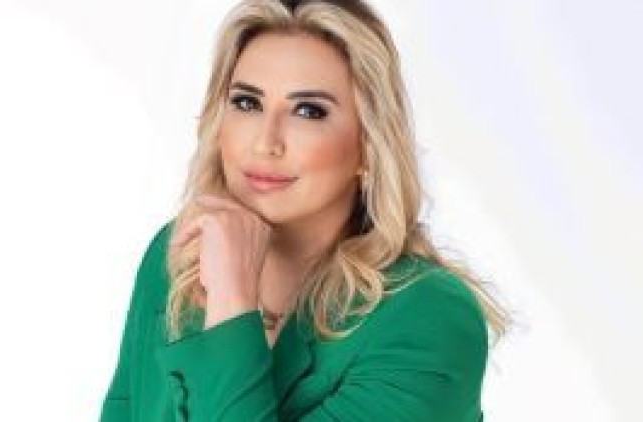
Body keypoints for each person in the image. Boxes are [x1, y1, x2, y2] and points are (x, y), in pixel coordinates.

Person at [99, 0, 513, 420]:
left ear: (369, 145)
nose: (265, 142)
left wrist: (232, 304)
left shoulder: (428, 319)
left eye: (308, 111)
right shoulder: (181, 255)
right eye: (247, 103)